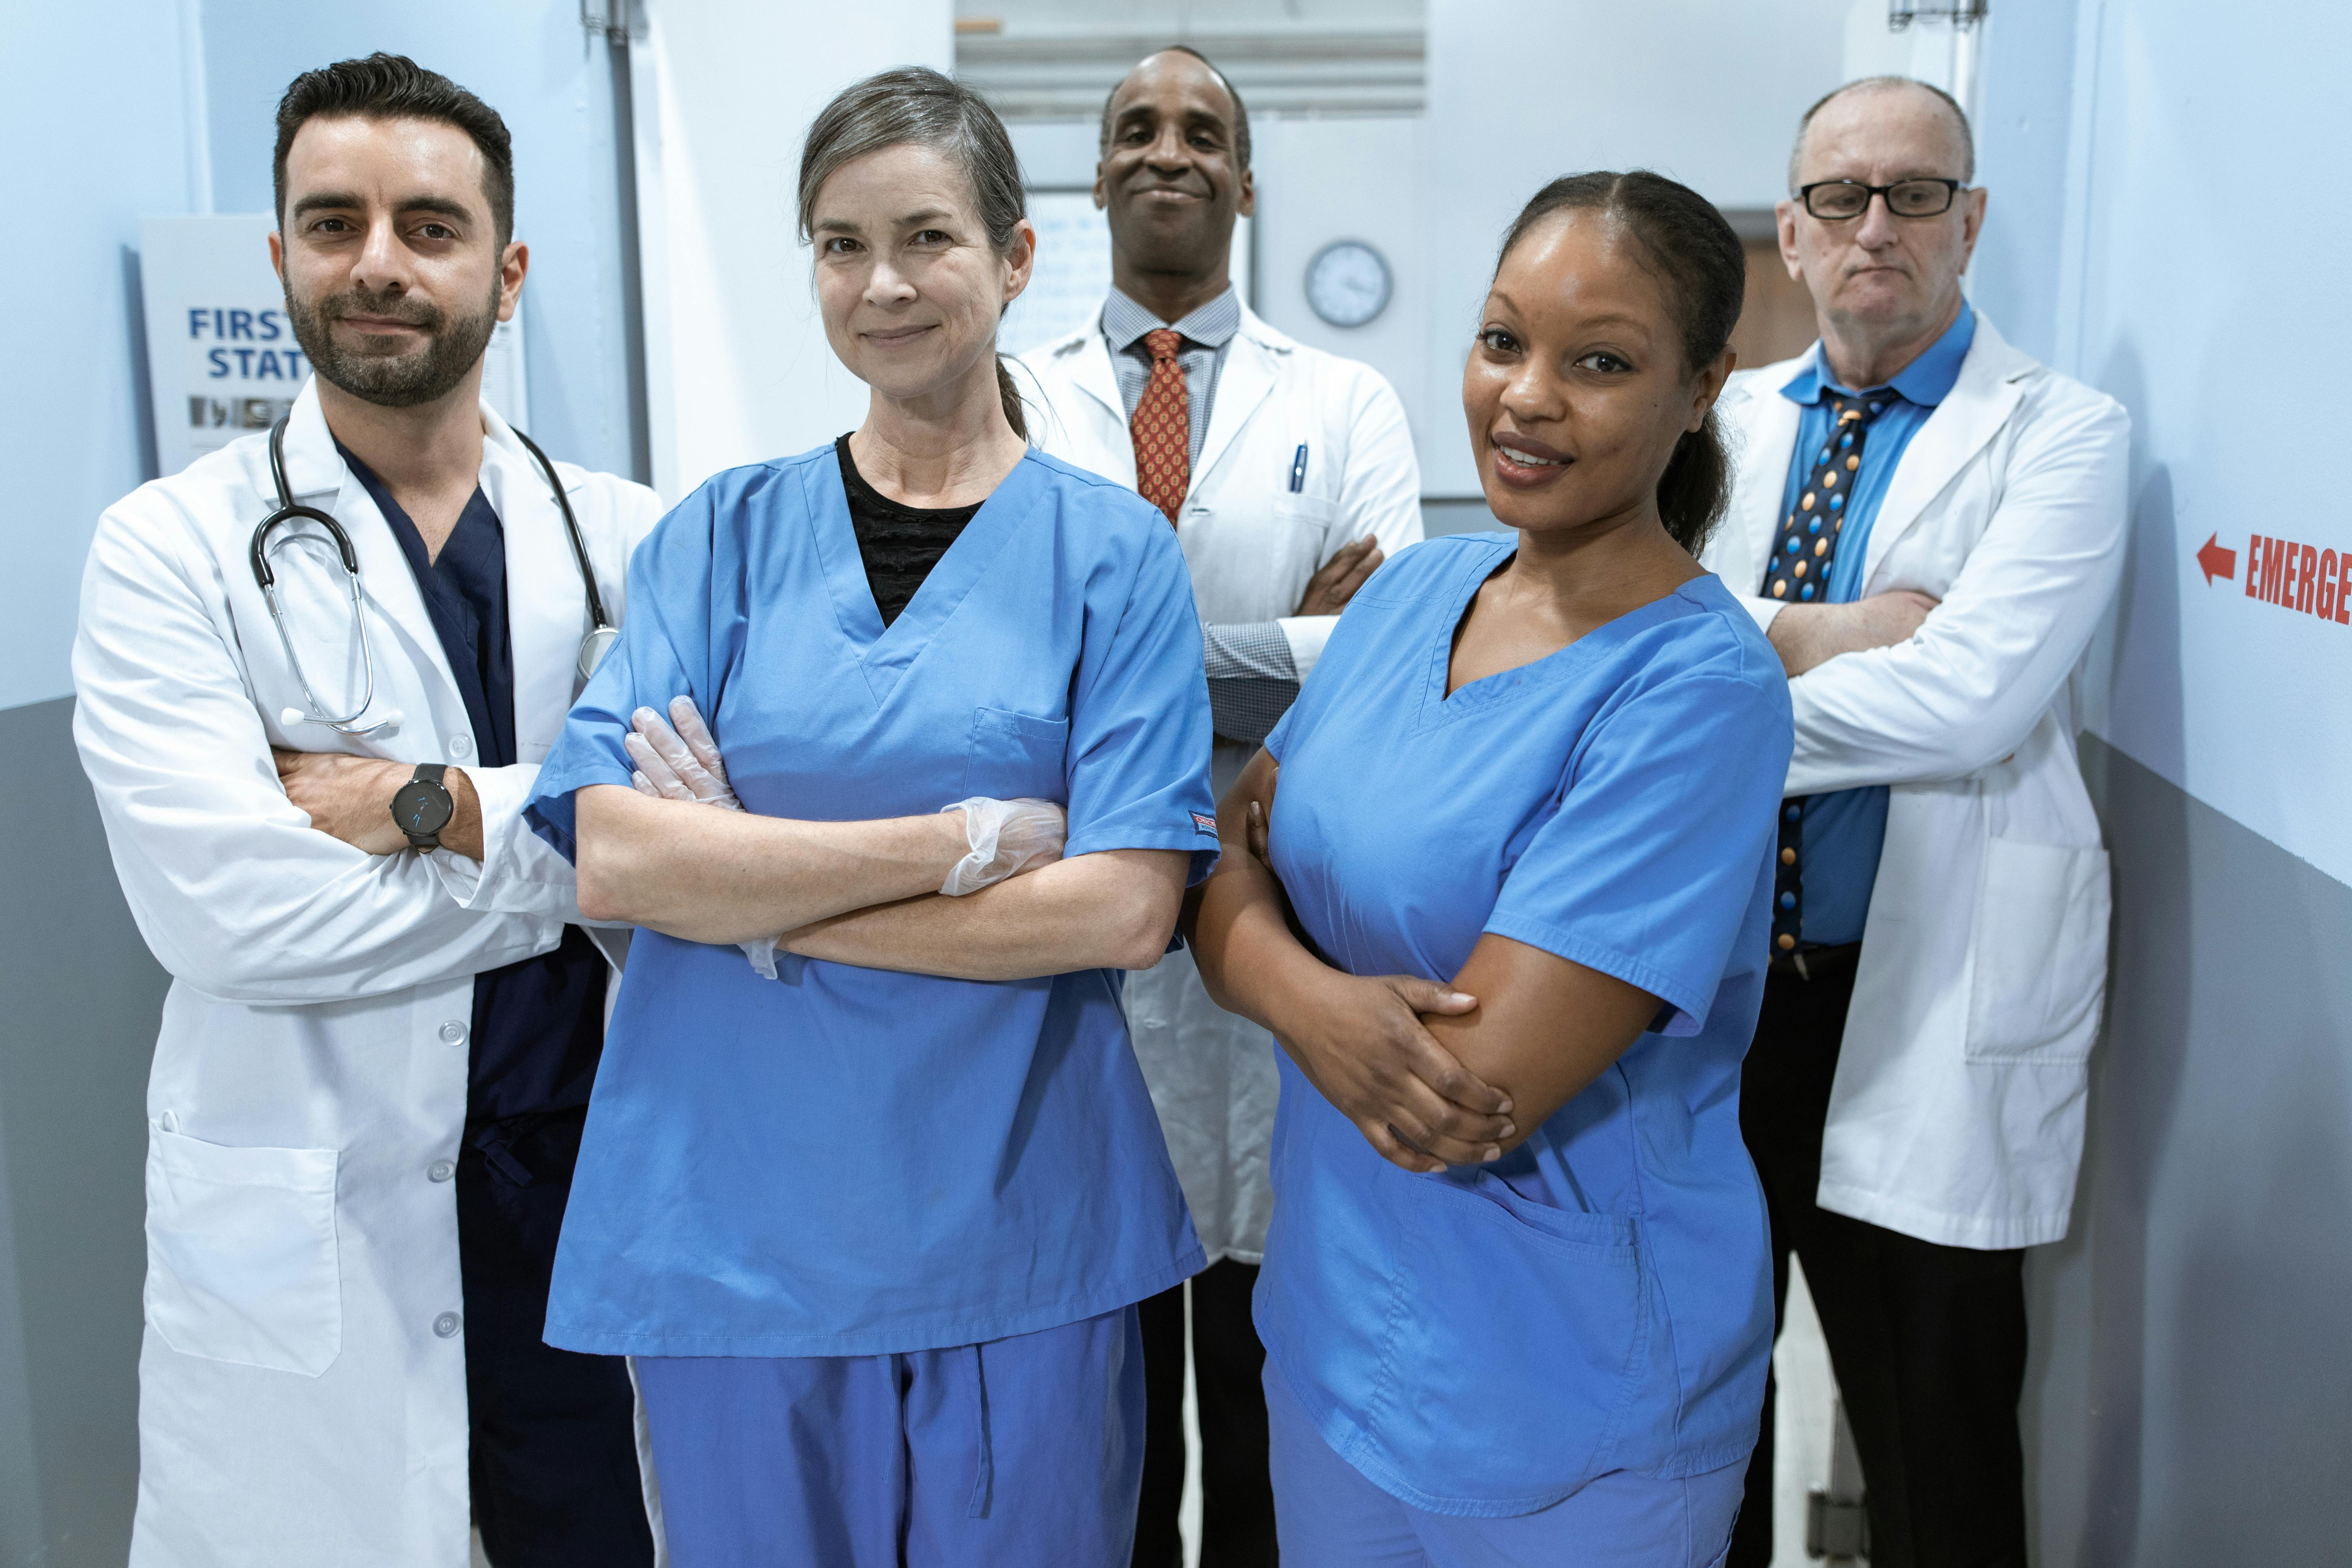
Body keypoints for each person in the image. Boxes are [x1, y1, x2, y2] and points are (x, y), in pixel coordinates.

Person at [517, 67, 1220, 1567]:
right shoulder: (721, 534)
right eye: (841, 245)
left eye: (926, 237)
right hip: (732, 1232)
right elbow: (617, 855)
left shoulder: (1113, 556)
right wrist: (959, 846)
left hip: (1019, 1225)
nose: (883, 283)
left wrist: (752, 892)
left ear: (1016, 259)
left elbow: (1123, 910)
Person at [72, 54, 663, 1568]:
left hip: (590, 1208)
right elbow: (235, 916)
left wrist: (437, 808)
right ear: (279, 257)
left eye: (429, 225)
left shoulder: (635, 541)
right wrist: (595, 853)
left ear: (507, 269)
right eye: (332, 224)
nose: (378, 264)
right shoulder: (169, 553)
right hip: (316, 1220)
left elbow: (710, 831)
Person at [1189, 170, 1794, 1566]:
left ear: (1701, 388)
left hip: (1572, 1395)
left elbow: (1462, 1098)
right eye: (1502, 340)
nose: (1526, 397)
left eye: (1600, 363)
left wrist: (1256, 944)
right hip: (1339, 1337)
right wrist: (1324, 1001)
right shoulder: (1409, 595)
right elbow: (1221, 847)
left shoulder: (1696, 688)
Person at [1704, 77, 2127, 1568]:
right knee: (1700, 1423)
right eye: (1841, 198)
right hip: (1715, 1004)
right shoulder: (1730, 425)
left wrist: (1718, 683)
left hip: (1917, 1003)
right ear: (1794, 230)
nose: (1877, 226)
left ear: (1974, 221)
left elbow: (1966, 705)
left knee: (1937, 1439)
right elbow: (1631, 640)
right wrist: (1842, 631)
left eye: (1916, 194)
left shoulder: (2064, 435)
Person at [1015, 47, 1423, 1564]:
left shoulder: (1350, 398)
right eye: (1137, 128)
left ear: (1246, 184)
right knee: (1107, 1397)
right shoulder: (1013, 391)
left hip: (1275, 914)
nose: (1168, 151)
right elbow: (995, 664)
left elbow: (1371, 663)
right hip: (1083, 932)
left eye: (1204, 133)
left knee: (1269, 1380)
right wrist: (1271, 658)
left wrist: (1106, 669)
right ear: (1100, 175)